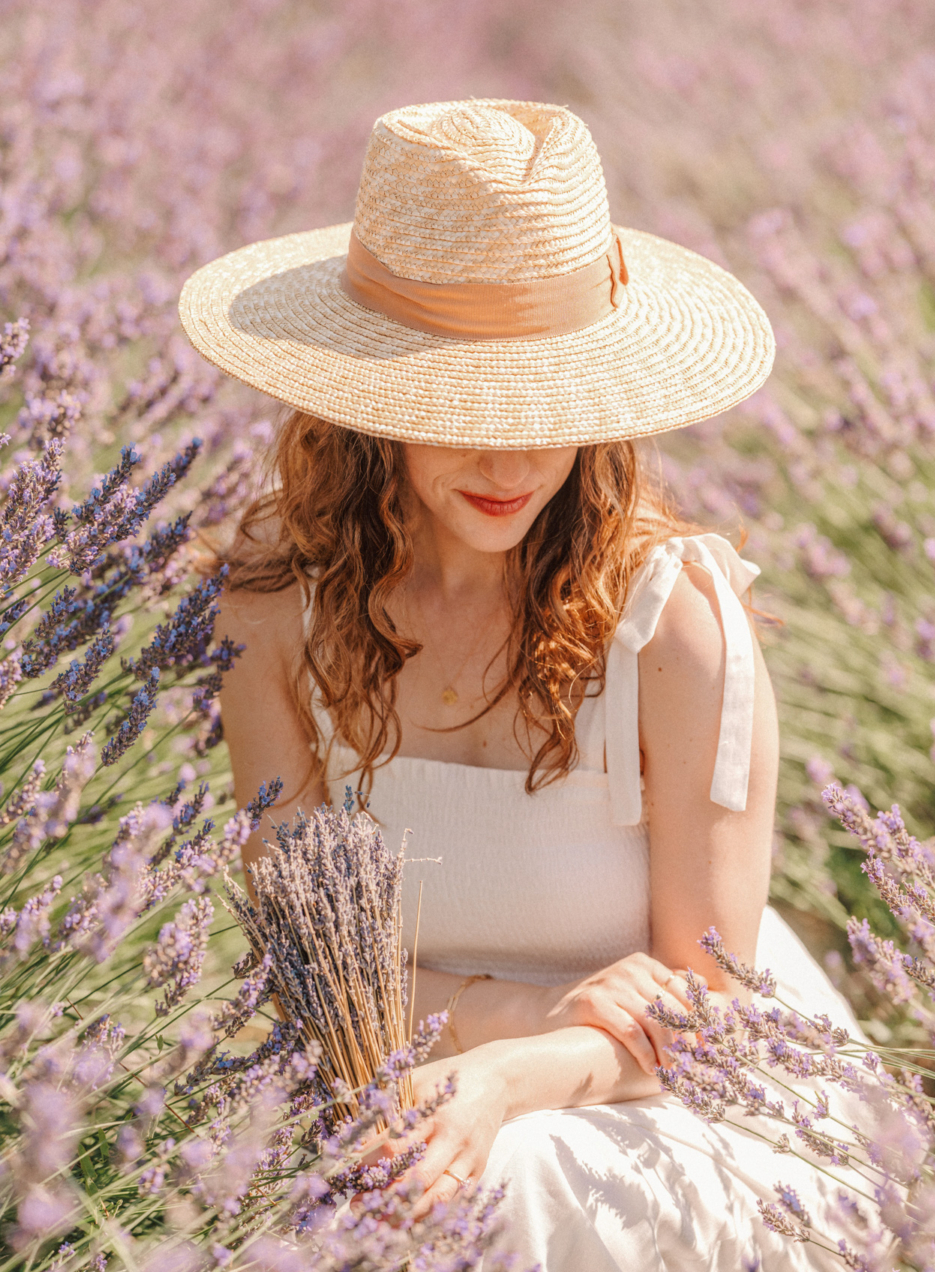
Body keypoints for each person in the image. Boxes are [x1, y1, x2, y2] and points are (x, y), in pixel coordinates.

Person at [180, 99, 863, 1270]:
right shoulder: (274, 612)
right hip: (383, 1082)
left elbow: (704, 1012)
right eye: (463, 412)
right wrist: (531, 1013)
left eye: (547, 409)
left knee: (505, 1178)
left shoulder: (675, 626)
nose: (510, 463)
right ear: (369, 411)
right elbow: (305, 978)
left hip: (684, 1102)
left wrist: (510, 1074)